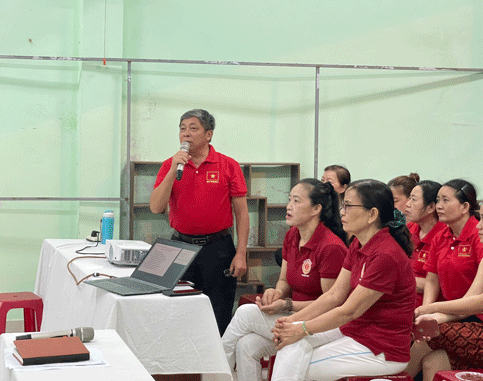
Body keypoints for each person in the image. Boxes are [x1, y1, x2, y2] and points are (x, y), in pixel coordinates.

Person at [269, 179, 416, 381]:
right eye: (342, 205)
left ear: (372, 214)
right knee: (291, 345)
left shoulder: (385, 255)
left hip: (381, 348)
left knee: (299, 365)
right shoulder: (358, 243)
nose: (342, 211)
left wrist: (302, 328)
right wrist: (291, 322)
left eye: (348, 206)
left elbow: (350, 310)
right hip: (355, 331)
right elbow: (334, 296)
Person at [221, 179, 348, 381]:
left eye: (296, 201)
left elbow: (332, 303)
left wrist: (287, 304)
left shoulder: (331, 247)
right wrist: (276, 293)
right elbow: (284, 281)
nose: (289, 206)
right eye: (289, 199)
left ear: (316, 209)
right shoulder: (292, 235)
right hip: (294, 314)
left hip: (321, 323)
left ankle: (216, 374)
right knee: (246, 344)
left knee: (245, 313)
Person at [150, 109, 249, 335]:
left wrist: (241, 253)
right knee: (179, 311)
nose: (186, 134)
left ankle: (217, 367)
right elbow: (156, 207)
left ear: (208, 134)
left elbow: (242, 214)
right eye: (182, 129)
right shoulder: (169, 165)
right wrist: (174, 168)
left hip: (218, 247)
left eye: (193, 128)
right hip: (180, 246)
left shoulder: (228, 165)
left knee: (218, 311)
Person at [406, 179, 482, 381]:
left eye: (445, 200)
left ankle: (395, 378)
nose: (438, 206)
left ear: (465, 207)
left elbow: (476, 302)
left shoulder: (476, 236)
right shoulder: (442, 236)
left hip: (473, 318)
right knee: (434, 361)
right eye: (437, 200)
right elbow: (432, 280)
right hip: (455, 313)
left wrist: (432, 312)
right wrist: (428, 311)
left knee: (430, 332)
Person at [404, 180, 449, 308]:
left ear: (431, 207)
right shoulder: (409, 229)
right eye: (409, 199)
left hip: (428, 307)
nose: (407, 204)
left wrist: (398, 279)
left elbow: (441, 285)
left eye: (413, 199)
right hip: (403, 302)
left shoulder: (445, 235)